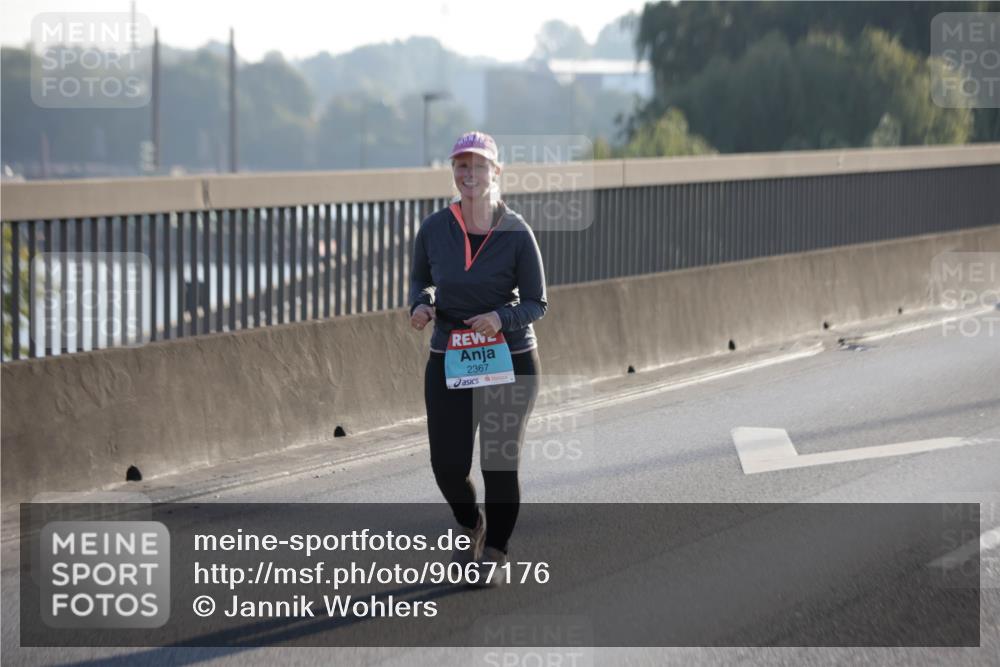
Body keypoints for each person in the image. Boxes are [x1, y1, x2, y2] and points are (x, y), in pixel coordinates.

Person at [409, 131, 547, 587]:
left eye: (479, 166)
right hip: (450, 359)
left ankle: (496, 548)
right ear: (454, 172)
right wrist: (421, 306)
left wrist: (500, 317)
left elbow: (536, 303)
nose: (470, 174)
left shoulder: (517, 232)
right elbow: (421, 284)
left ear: (496, 172)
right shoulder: (433, 229)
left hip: (510, 360)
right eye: (461, 166)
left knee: (498, 464)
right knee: (447, 467)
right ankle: (471, 523)